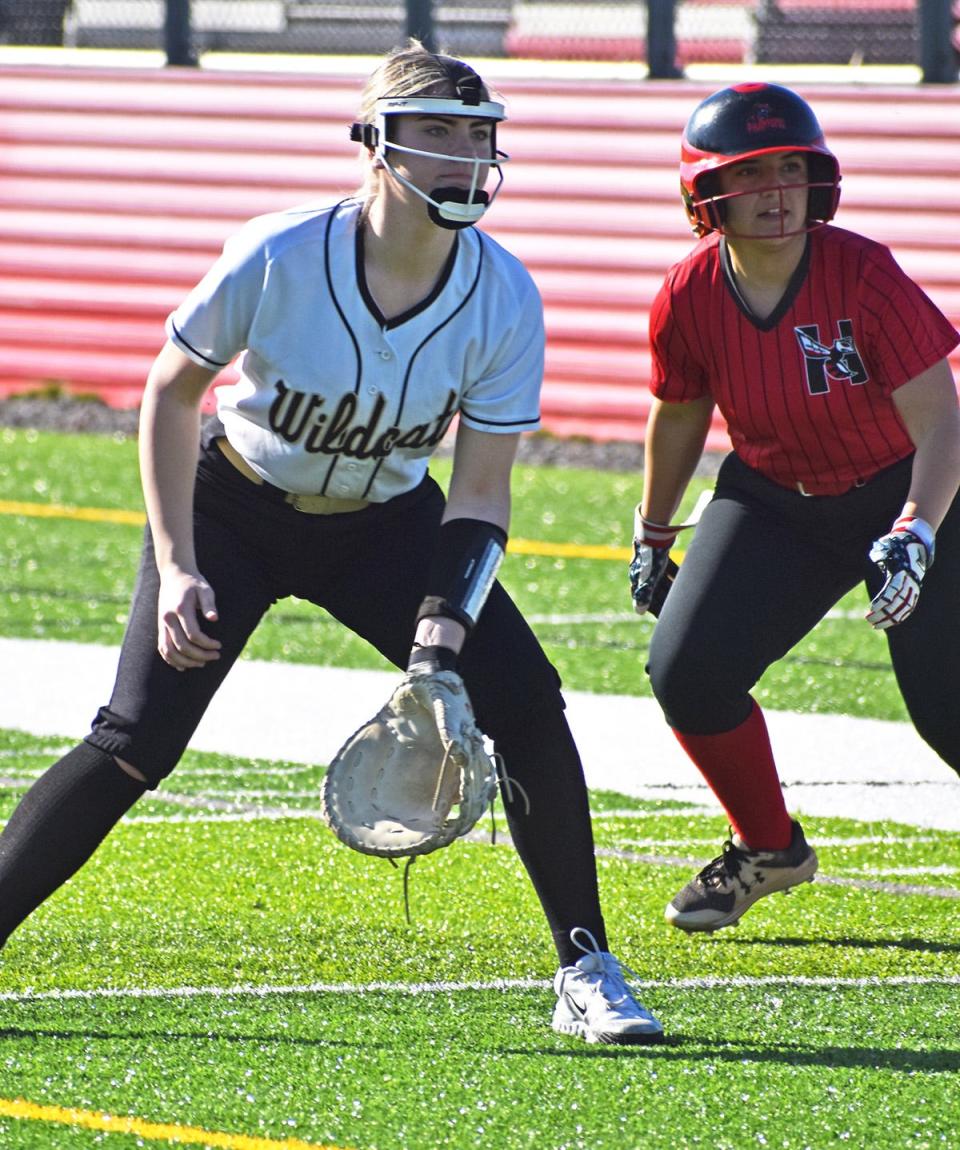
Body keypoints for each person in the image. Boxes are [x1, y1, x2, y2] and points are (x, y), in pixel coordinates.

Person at [0, 41, 663, 1045]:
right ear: (373, 145)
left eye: (475, 135)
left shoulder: (504, 294)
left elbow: (480, 492)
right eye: (434, 130)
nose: (460, 155)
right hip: (236, 506)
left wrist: (439, 648)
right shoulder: (281, 252)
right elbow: (171, 392)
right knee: (136, 739)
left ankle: (586, 967)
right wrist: (178, 561)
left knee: (526, 702)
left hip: (386, 523)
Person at [630, 82, 960, 933]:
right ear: (705, 195)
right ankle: (770, 849)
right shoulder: (688, 291)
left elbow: (943, 424)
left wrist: (918, 530)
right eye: (750, 174)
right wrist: (653, 532)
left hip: (906, 494)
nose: (776, 192)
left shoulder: (864, 270)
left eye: (791, 168)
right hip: (776, 496)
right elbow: (680, 412)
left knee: (947, 706)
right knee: (687, 673)